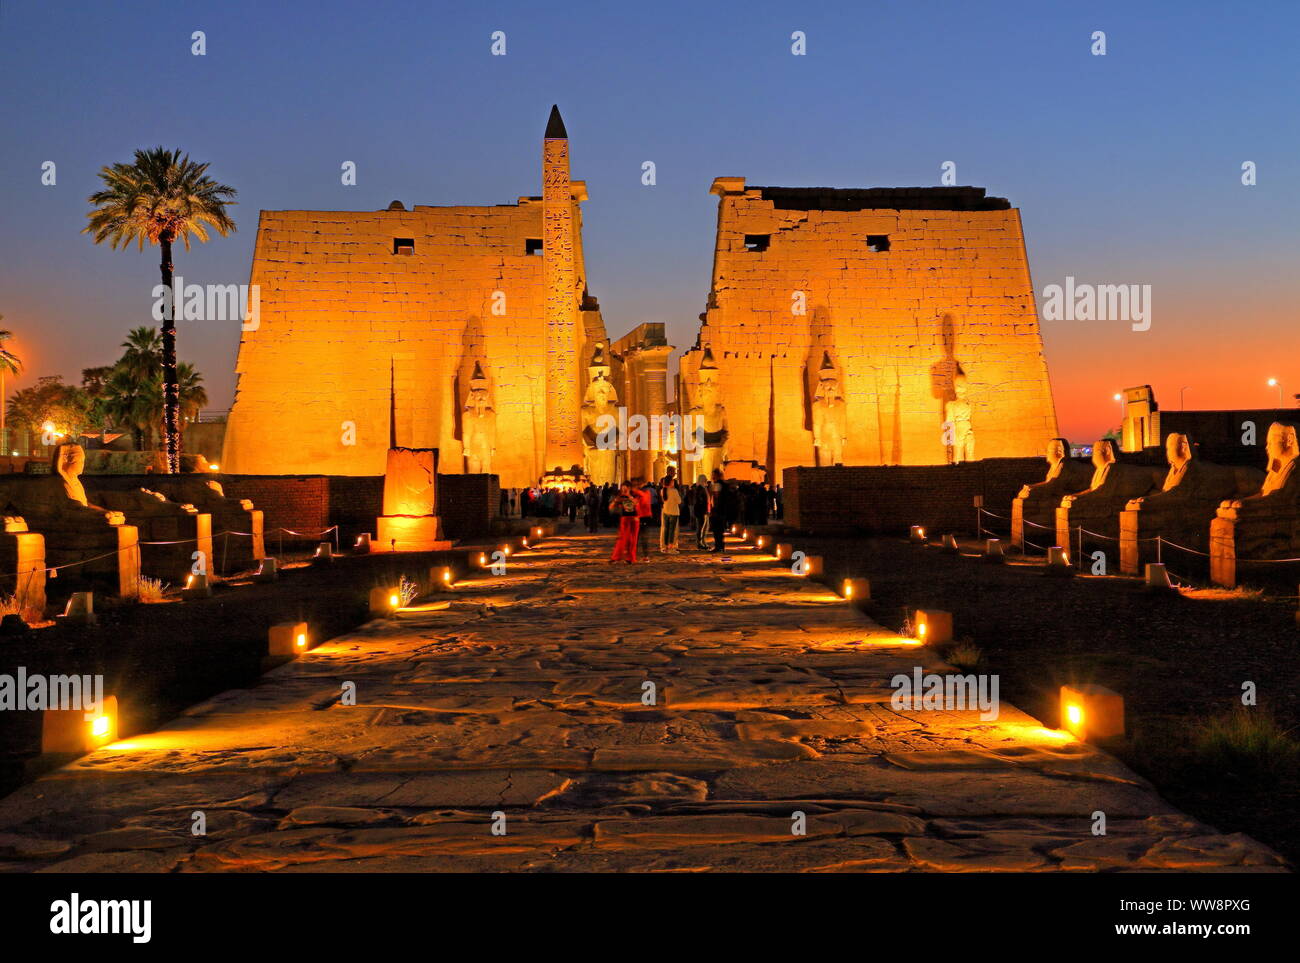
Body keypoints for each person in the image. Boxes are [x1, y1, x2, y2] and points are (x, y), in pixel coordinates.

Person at [609, 483, 640, 563]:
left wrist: (629, 497)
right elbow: (611, 507)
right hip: (625, 519)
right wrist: (615, 501)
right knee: (622, 539)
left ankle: (630, 558)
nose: (624, 491)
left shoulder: (634, 495)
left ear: (629, 489)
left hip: (634, 519)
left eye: (625, 489)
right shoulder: (620, 497)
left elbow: (637, 503)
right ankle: (615, 557)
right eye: (622, 489)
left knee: (632, 540)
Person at [708, 468, 731, 552]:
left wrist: (713, 510)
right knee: (720, 530)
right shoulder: (724, 484)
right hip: (722, 510)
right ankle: (721, 546)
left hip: (718, 510)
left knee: (717, 529)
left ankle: (718, 546)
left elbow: (716, 498)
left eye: (713, 475)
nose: (712, 477)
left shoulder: (717, 484)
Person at [660, 475, 682, 553]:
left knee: (666, 529)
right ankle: (671, 547)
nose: (673, 482)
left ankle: (665, 547)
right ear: (670, 482)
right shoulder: (674, 491)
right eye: (672, 481)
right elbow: (679, 501)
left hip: (666, 511)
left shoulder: (663, 490)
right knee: (672, 530)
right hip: (674, 512)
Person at [633, 478, 654, 560]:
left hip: (645, 517)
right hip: (638, 517)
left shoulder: (646, 492)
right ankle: (633, 555)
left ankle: (646, 555)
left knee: (644, 537)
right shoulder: (637, 494)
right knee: (636, 537)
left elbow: (644, 499)